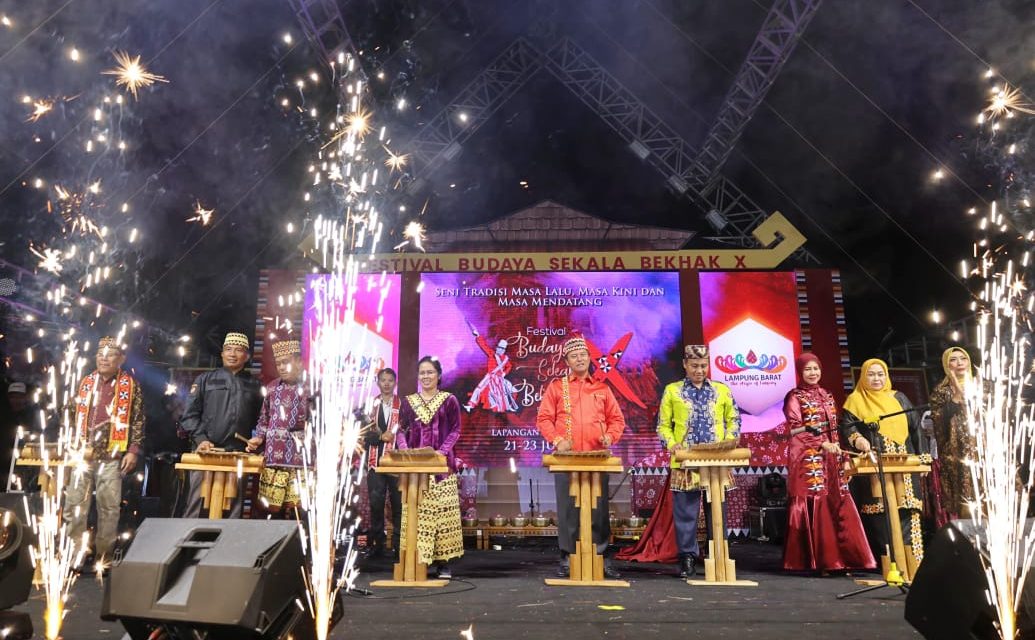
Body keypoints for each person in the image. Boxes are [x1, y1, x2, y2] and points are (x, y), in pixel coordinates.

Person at [536, 336, 626, 579]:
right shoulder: (557, 387)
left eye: (583, 355)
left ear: (589, 358)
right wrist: (557, 440)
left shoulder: (602, 388)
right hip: (567, 460)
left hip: (597, 459)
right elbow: (543, 419)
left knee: (598, 509)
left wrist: (609, 436)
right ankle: (568, 555)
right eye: (574, 356)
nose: (579, 359)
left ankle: (601, 556)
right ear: (567, 361)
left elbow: (617, 420)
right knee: (568, 509)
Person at [781, 353, 875, 574]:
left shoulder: (827, 395)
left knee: (838, 500)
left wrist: (842, 458)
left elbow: (834, 431)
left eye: (816, 369)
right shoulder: (794, 396)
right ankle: (819, 561)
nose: (813, 373)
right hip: (807, 460)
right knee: (816, 501)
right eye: (808, 370)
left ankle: (843, 559)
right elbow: (794, 428)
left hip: (831, 458)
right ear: (800, 372)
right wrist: (821, 444)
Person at [657, 344, 740, 579]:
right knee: (685, 512)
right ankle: (687, 558)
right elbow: (663, 425)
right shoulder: (672, 391)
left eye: (703, 366)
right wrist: (672, 444)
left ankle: (719, 554)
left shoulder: (721, 390)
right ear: (685, 365)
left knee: (717, 510)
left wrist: (730, 440)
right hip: (686, 460)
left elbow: (733, 418)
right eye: (694, 366)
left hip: (717, 460)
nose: (699, 370)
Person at [840, 358, 926, 568]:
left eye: (880, 374)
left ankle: (913, 564)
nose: (876, 378)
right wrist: (858, 439)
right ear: (863, 376)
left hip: (905, 466)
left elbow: (916, 429)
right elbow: (848, 428)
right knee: (879, 513)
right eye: (871, 374)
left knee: (908, 510)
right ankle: (889, 564)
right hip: (873, 466)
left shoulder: (900, 398)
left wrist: (922, 457)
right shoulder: (855, 401)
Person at [64, 337, 145, 563]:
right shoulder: (85, 382)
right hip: (82, 453)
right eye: (100, 354)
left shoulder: (130, 385)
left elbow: (138, 420)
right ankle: (74, 554)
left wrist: (133, 450)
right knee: (74, 504)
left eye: (110, 354)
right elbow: (70, 416)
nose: (104, 358)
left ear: (121, 358)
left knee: (109, 506)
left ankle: (104, 554)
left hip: (112, 453)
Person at [395, 356, 464, 579]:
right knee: (418, 514)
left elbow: (455, 430)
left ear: (439, 375)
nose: (426, 376)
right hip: (415, 470)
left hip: (442, 468)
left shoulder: (449, 400)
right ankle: (417, 561)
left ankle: (443, 564)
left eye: (430, 372)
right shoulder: (408, 402)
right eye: (422, 373)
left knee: (442, 516)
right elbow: (399, 430)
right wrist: (406, 452)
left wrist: (440, 453)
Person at [180, 332, 263, 518]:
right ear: (222, 354)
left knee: (233, 508)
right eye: (228, 349)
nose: (232, 354)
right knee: (196, 505)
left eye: (239, 350)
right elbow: (189, 416)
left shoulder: (254, 385)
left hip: (237, 454)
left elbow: (261, 420)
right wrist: (201, 439)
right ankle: (188, 547)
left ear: (247, 356)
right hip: (205, 452)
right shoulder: (205, 380)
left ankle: (227, 546)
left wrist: (256, 437)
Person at [246, 339, 308, 518]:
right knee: (272, 511)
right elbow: (264, 419)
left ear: (298, 361)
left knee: (301, 510)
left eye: (286, 362)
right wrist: (258, 437)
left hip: (301, 461)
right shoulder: (272, 387)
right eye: (278, 363)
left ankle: (300, 546)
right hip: (274, 458)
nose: (281, 367)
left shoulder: (313, 387)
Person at [928, 347, 976, 520]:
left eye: (963, 358)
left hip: (985, 452)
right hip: (960, 456)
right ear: (946, 365)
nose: (960, 363)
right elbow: (938, 424)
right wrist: (955, 398)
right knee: (968, 506)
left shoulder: (982, 386)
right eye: (954, 360)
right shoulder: (941, 392)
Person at [363, 367, 402, 558]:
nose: (386, 383)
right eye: (383, 380)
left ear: (395, 383)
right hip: (375, 463)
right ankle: (377, 545)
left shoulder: (403, 405)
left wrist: (394, 436)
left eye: (390, 380)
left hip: (397, 464)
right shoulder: (370, 405)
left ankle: (397, 545)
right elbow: (363, 434)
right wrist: (380, 435)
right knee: (376, 504)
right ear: (378, 382)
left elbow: (408, 431)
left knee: (398, 505)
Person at [464, 322, 518, 413]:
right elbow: (483, 345)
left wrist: (504, 373)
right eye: (498, 347)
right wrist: (477, 336)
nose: (499, 349)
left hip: (499, 379)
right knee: (479, 389)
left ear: (504, 350)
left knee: (505, 393)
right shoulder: (491, 354)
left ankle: (507, 407)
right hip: (489, 377)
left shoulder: (505, 359)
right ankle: (470, 405)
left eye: (501, 348)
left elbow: (509, 366)